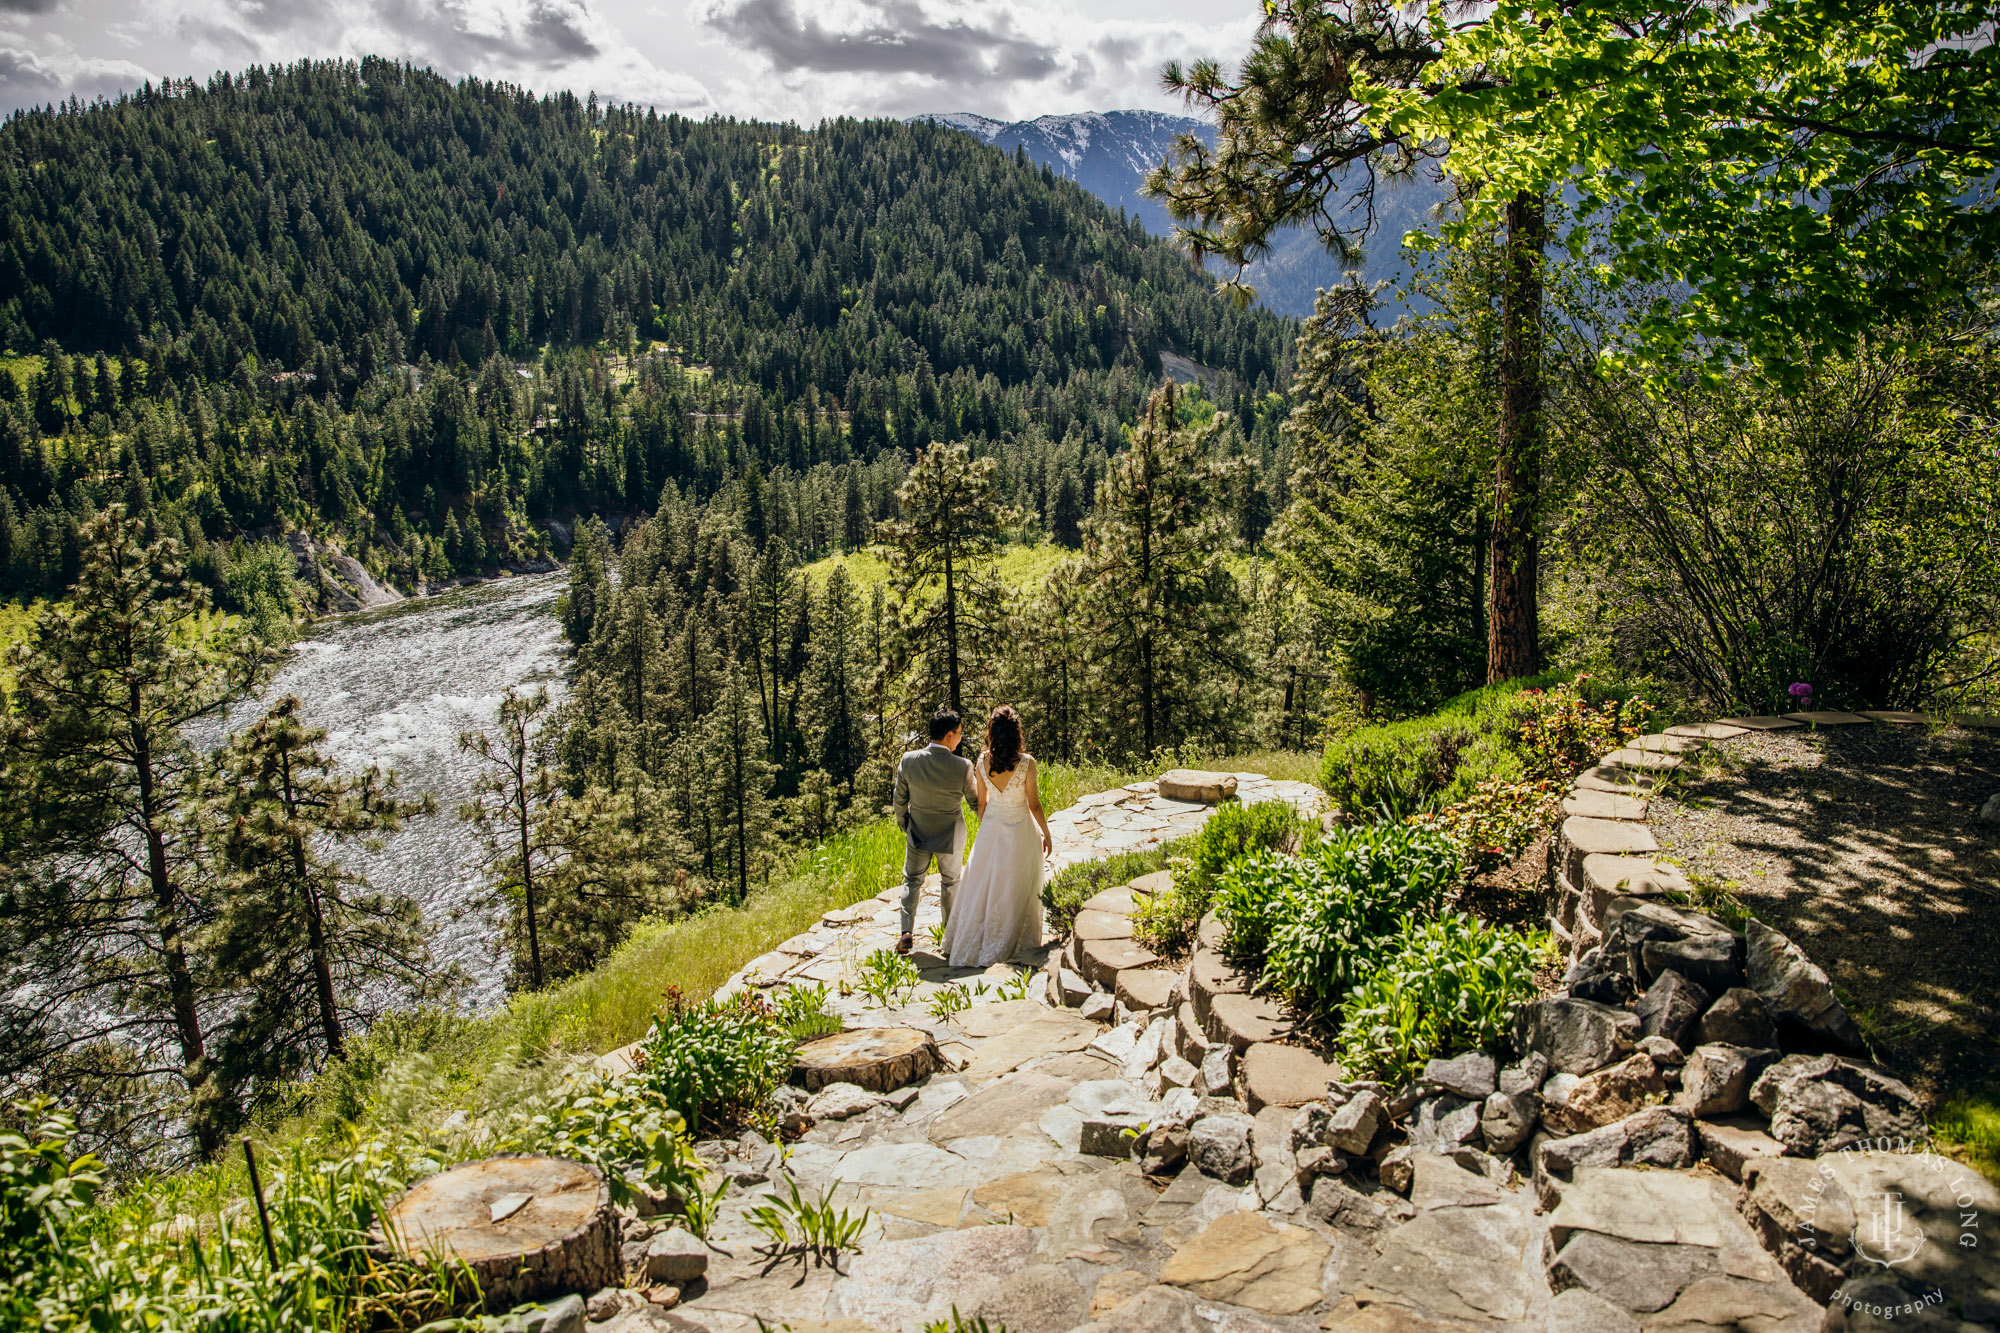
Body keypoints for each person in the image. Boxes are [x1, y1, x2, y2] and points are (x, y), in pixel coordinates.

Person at [941, 704, 1052, 968]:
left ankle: (976, 940)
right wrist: (1046, 833)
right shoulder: (1027, 764)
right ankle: (1015, 939)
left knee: (985, 884)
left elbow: (982, 803)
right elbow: (1034, 805)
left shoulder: (981, 761)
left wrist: (989, 825)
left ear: (992, 731)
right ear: (1017, 732)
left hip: (991, 826)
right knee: (1017, 884)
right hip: (1021, 831)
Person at [891, 707, 979, 954]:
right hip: (951, 835)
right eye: (960, 733)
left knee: (912, 880)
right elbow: (974, 802)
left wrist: (905, 824)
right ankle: (949, 938)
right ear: (949, 735)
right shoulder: (963, 766)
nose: (961, 737)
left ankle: (906, 932)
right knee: (951, 882)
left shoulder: (909, 760)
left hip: (918, 831)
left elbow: (899, 799)